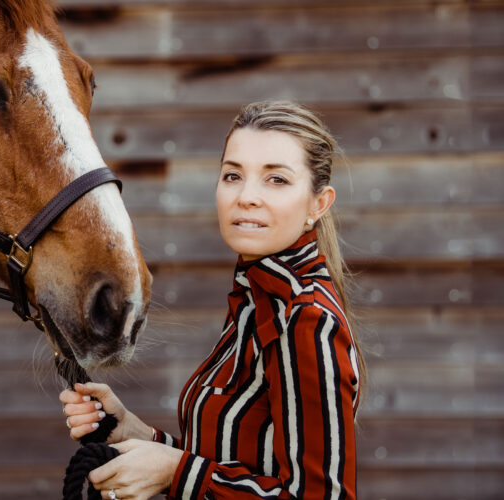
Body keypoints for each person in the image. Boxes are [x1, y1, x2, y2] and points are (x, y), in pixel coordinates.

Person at [61, 101, 365, 500]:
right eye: (233, 175)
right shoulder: (255, 301)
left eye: (276, 180)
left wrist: (175, 471)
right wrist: (134, 432)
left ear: (318, 204)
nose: (246, 196)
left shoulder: (305, 319)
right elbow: (230, 462)